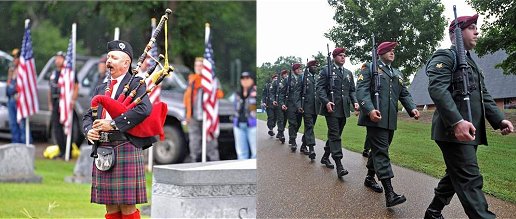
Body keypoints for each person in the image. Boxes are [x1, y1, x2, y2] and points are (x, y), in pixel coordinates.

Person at [424, 14, 514, 219]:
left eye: (476, 27)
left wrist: (499, 120)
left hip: (469, 131)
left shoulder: (471, 63)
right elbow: (437, 89)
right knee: (470, 179)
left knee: (455, 174)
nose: (477, 32)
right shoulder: (446, 56)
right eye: (471, 27)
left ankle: (433, 211)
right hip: (452, 132)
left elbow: (484, 97)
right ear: (456, 33)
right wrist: (457, 122)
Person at [83, 40, 155, 219]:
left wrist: (114, 124)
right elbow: (87, 116)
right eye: (108, 57)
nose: (109, 61)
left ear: (126, 63)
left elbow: (144, 109)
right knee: (111, 207)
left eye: (114, 57)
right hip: (104, 149)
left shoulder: (136, 84)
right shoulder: (101, 87)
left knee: (127, 207)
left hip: (126, 146)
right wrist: (89, 130)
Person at [356, 41, 420, 207]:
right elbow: (361, 91)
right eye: (388, 50)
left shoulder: (397, 73)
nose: (392, 52)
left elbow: (404, 93)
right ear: (380, 52)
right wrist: (369, 110)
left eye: (393, 50)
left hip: (390, 120)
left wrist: (412, 108)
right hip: (375, 118)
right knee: (382, 152)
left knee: (378, 151)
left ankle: (369, 178)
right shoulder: (369, 68)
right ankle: (390, 193)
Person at [316, 47, 359, 178]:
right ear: (334, 57)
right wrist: (326, 101)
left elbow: (352, 90)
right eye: (340, 55)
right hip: (331, 107)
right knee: (335, 135)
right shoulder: (326, 70)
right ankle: (339, 165)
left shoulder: (348, 73)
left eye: (344, 55)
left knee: (336, 134)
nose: (343, 57)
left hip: (344, 109)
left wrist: (355, 102)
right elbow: (320, 88)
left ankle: (325, 157)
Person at [183, 57, 224, 162]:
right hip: (193, 117)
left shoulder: (211, 80)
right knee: (194, 142)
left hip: (207, 116)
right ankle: (194, 162)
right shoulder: (191, 80)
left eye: (200, 66)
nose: (198, 68)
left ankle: (214, 162)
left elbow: (219, 95)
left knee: (210, 141)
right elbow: (186, 99)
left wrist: (210, 90)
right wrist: (187, 115)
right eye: (196, 65)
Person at [49, 51, 81, 158]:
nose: (57, 60)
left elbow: (76, 86)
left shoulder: (70, 72)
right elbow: (51, 88)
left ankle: (68, 151)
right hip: (55, 102)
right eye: (56, 58)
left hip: (66, 102)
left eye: (60, 58)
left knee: (67, 126)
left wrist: (72, 100)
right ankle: (61, 150)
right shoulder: (54, 73)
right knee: (56, 127)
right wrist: (50, 103)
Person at [6, 48, 32, 144]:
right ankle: (15, 142)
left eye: (16, 58)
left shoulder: (23, 71)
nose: (14, 60)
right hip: (11, 99)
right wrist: (10, 74)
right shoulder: (12, 71)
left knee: (22, 123)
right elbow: (9, 86)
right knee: (13, 124)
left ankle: (25, 142)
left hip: (19, 101)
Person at [297, 60, 320, 160]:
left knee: (310, 127)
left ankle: (303, 145)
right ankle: (311, 149)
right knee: (309, 126)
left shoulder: (317, 77)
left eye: (316, 66)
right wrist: (299, 106)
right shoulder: (303, 77)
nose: (316, 68)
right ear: (309, 67)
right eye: (314, 66)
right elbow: (298, 93)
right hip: (306, 106)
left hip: (315, 107)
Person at [233, 72, 257, 159]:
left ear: (252, 80)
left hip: (252, 125)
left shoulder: (255, 92)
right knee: (241, 154)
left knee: (255, 153)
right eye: (243, 78)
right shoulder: (237, 93)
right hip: (239, 125)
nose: (245, 80)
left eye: (247, 78)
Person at [283, 63, 304, 152]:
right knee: (292, 123)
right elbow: (282, 93)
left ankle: (292, 136)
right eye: (298, 69)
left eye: (300, 69)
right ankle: (293, 141)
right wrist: (283, 103)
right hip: (290, 104)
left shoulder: (302, 79)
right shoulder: (287, 80)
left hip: (299, 105)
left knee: (298, 123)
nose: (300, 70)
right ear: (294, 70)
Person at [274, 70, 289, 144]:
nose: (286, 75)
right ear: (282, 75)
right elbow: (274, 92)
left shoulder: (289, 81)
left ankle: (280, 132)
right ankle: (281, 134)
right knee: (281, 118)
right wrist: (274, 100)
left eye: (286, 74)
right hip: (279, 102)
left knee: (285, 119)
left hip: (286, 102)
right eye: (284, 74)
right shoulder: (278, 82)